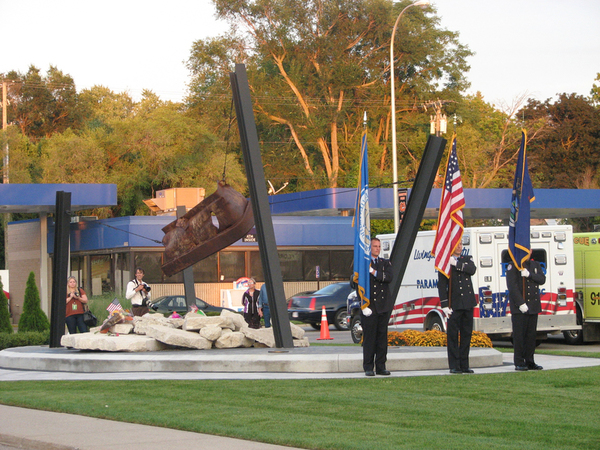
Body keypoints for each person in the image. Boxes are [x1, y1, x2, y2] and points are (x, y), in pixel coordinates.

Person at [437, 242, 477, 374]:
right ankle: (454, 365)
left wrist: (457, 264)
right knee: (453, 336)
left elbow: (472, 270)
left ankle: (464, 364)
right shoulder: (445, 263)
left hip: (467, 303)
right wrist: (444, 305)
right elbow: (442, 285)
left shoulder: (467, 259)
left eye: (460, 245)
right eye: (457, 245)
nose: (459, 247)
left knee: (466, 335)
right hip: (454, 304)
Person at [506, 255, 546, 371]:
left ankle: (530, 361)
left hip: (533, 306)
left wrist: (530, 275)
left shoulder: (535, 265)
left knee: (531, 336)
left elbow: (542, 279)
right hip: (520, 308)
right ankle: (519, 361)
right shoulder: (513, 265)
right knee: (519, 336)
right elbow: (512, 287)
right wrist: (520, 303)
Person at [362, 237, 394, 377]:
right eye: (375, 246)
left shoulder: (384, 263)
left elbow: (389, 277)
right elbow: (359, 285)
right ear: (370, 248)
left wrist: (374, 272)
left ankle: (381, 366)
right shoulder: (363, 264)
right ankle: (368, 366)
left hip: (383, 306)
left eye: (379, 246)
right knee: (369, 338)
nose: (377, 248)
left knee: (382, 339)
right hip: (370, 306)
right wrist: (363, 305)